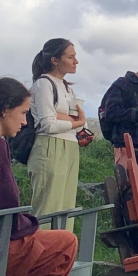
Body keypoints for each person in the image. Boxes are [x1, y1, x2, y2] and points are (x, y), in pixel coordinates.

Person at [0, 77, 77, 276]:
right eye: (22, 113)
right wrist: (26, 225)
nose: (24, 122)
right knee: (64, 244)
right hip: (3, 245)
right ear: (5, 109)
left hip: (6, 236)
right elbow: (8, 205)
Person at [27, 39, 86, 229]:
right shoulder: (44, 84)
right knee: (47, 207)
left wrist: (69, 120)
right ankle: (39, 255)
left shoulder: (68, 87)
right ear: (54, 60)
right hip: (49, 146)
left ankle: (61, 254)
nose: (75, 61)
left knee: (66, 208)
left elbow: (72, 124)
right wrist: (74, 121)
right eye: (70, 57)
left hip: (70, 146)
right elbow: (48, 124)